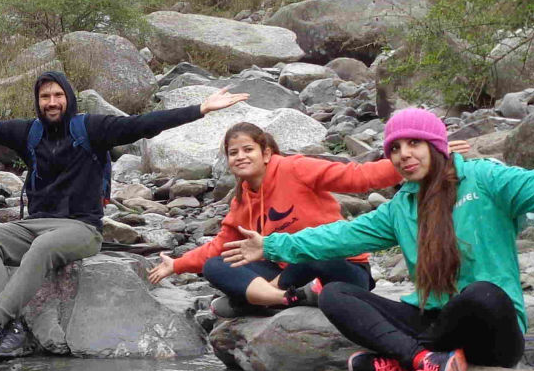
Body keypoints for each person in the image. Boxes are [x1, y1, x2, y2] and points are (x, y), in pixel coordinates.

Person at [226, 106, 534, 371]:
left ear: (436, 146)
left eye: (415, 144)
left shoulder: (487, 180)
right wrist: (272, 242)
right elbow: (337, 236)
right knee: (333, 295)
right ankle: (424, 360)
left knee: (483, 294)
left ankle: (401, 359)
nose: (405, 155)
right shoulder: (400, 207)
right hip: (436, 324)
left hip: (492, 331)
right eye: (395, 149)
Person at [0, 72, 249, 363]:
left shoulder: (93, 129)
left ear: (67, 98)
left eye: (57, 96)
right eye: (45, 97)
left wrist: (200, 109)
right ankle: (12, 328)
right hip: (36, 222)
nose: (51, 102)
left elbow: (143, 124)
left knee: (43, 246)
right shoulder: (29, 132)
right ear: (38, 102)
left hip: (82, 228)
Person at [146, 121, 406, 313]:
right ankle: (286, 299)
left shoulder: (296, 168)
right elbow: (220, 246)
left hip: (342, 268)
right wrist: (176, 265)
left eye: (248, 149)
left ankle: (253, 302)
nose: (241, 157)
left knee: (314, 252)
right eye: (233, 153)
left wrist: (410, 162)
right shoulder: (243, 199)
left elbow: (357, 176)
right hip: (291, 276)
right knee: (217, 265)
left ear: (266, 153)